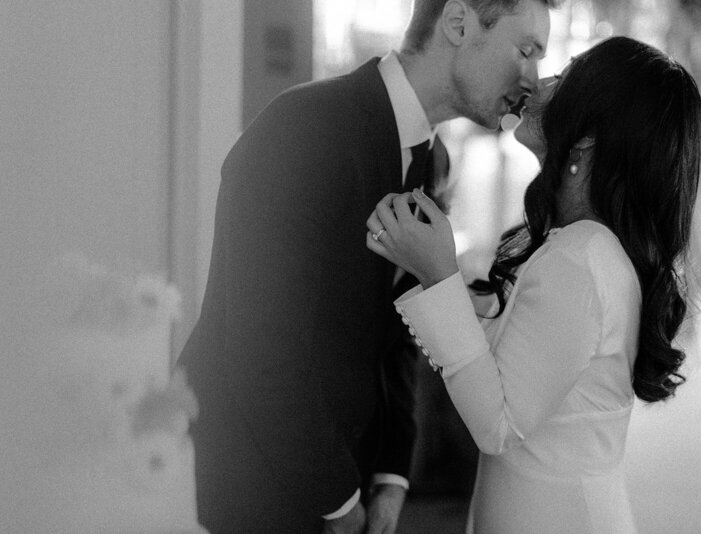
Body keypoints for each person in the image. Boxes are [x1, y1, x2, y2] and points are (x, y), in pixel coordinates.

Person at [176, 0, 560, 532]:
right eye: (526, 50)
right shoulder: (301, 128)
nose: (532, 80)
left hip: (355, 471)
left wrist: (391, 473)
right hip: (261, 478)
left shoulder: (433, 160)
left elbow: (399, 327)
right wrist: (337, 499)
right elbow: (258, 342)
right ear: (458, 22)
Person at [366, 36, 701, 533]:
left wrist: (439, 275)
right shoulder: (586, 246)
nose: (540, 82)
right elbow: (505, 365)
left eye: (563, 77)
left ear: (587, 137)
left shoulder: (582, 257)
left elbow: (497, 424)